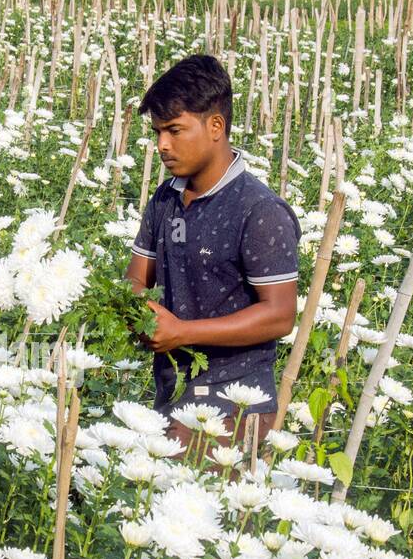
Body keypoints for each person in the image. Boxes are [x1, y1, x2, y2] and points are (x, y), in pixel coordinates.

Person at [126, 54, 300, 455]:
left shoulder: (259, 210)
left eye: (174, 130)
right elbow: (136, 278)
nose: (162, 145)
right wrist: (140, 314)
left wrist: (183, 333)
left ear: (216, 126)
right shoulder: (166, 197)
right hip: (172, 393)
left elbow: (280, 315)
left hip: (236, 407)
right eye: (156, 132)